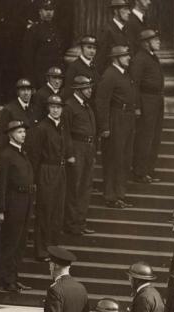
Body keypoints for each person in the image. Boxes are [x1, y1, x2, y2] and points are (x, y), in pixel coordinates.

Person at [96, 45, 137, 209]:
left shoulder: (124, 74)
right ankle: (111, 196)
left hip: (127, 119)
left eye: (128, 55)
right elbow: (101, 102)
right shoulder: (110, 75)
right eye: (125, 55)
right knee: (114, 158)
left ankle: (120, 195)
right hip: (116, 119)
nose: (128, 58)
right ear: (115, 58)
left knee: (124, 158)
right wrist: (104, 126)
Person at [0, 120, 35, 292]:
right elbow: (2, 183)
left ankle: (14, 277)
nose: (23, 134)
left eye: (24, 131)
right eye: (19, 132)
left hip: (25, 201)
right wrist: (2, 208)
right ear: (11, 134)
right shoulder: (7, 155)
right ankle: (7, 279)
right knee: (11, 242)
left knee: (20, 242)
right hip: (13, 202)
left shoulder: (21, 153)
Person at [30, 94, 68, 261]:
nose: (55, 109)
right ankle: (41, 250)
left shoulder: (61, 126)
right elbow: (35, 155)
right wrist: (36, 179)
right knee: (45, 210)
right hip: (46, 170)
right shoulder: (42, 128)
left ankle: (53, 247)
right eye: (52, 107)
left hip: (59, 171)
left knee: (57, 211)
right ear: (48, 108)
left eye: (58, 107)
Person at [62, 75, 96, 237]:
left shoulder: (85, 106)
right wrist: (70, 154)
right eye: (87, 87)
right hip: (76, 149)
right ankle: (71, 224)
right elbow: (65, 132)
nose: (90, 90)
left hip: (88, 149)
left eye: (90, 87)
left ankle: (80, 223)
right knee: (75, 188)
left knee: (85, 187)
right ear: (78, 89)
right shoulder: (69, 106)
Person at [130, 29, 163, 184]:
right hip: (145, 101)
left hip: (155, 101)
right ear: (146, 43)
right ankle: (139, 172)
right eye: (155, 40)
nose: (159, 42)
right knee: (144, 137)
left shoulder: (152, 57)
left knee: (154, 137)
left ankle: (148, 170)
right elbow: (134, 83)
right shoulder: (140, 59)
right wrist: (137, 106)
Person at [22, 0, 65, 88]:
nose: (49, 12)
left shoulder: (56, 29)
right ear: (40, 12)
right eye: (46, 9)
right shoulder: (34, 30)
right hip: (40, 77)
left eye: (51, 10)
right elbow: (28, 58)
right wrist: (32, 82)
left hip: (54, 76)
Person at [0, 79, 41, 153]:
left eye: (28, 90)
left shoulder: (35, 109)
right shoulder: (9, 109)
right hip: (16, 155)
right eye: (23, 90)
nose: (26, 93)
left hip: (32, 156)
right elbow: (1, 138)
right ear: (18, 92)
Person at [98, 0, 131, 70]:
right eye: (125, 9)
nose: (129, 12)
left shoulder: (126, 30)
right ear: (116, 11)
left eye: (129, 9)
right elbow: (100, 59)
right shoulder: (107, 30)